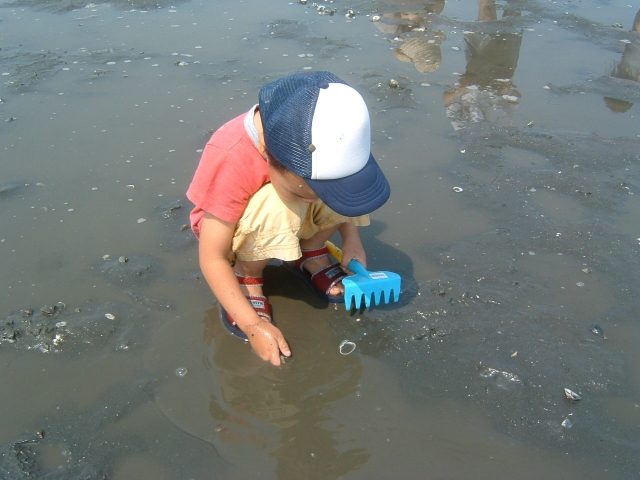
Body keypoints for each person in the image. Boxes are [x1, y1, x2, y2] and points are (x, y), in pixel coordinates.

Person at [187, 71, 390, 366]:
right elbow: (211, 256)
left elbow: (338, 194)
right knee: (278, 204)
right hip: (231, 235)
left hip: (286, 218)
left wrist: (351, 238)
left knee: (343, 190)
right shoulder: (231, 155)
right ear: (267, 155)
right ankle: (247, 275)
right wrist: (252, 326)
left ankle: (312, 253)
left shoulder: (332, 136)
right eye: (307, 194)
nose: (316, 201)